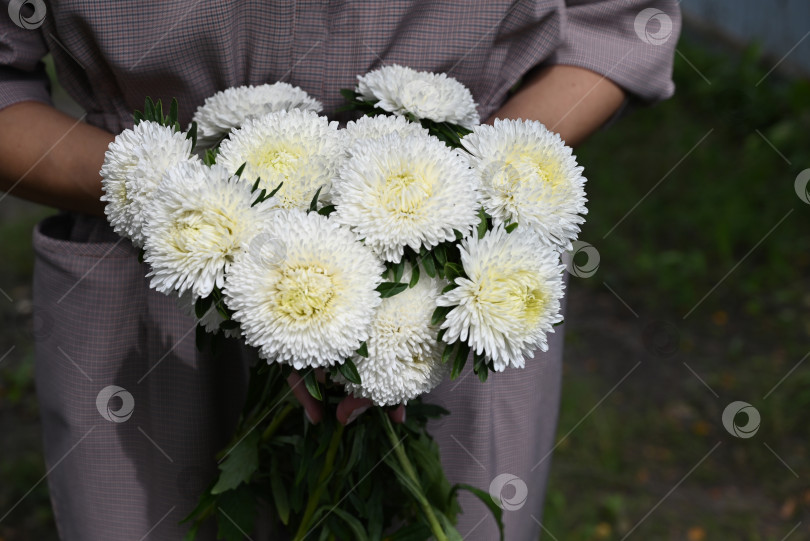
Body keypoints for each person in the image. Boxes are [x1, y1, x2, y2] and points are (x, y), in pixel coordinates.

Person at [0, 1, 679, 539]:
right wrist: (173, 195)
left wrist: (460, 185)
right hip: (151, 290)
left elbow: (610, 27)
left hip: (443, 285)